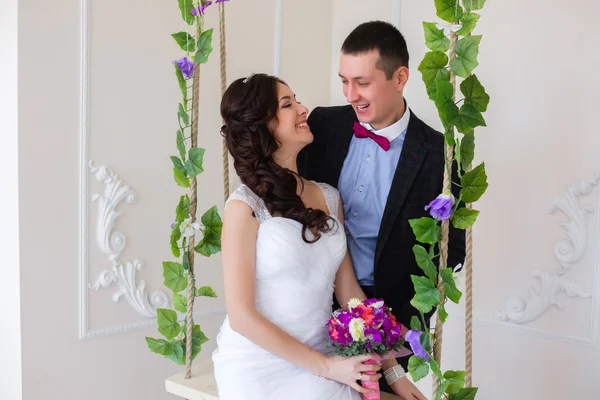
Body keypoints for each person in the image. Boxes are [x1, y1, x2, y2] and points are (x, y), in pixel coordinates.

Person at [298, 21, 466, 396]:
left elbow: (452, 249)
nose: (350, 93)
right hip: (312, 301)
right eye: (344, 80)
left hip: (390, 312)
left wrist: (404, 323)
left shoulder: (442, 154)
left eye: (362, 82)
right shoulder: (322, 125)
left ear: (400, 77)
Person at [212, 73, 385, 400]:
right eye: (288, 104)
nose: (303, 109)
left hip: (325, 357)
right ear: (263, 124)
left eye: (297, 100)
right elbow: (241, 316)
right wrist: (326, 367)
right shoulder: (243, 206)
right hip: (259, 365)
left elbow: (349, 293)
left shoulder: (329, 197)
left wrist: (393, 367)